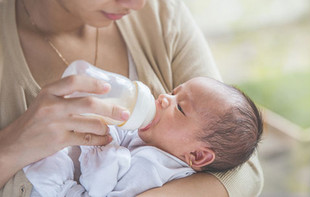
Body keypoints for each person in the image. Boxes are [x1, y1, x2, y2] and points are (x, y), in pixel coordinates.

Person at [0, 0, 264, 196]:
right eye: (173, 93)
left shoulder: (161, 13)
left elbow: (244, 171)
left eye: (180, 107)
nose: (137, 4)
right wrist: (10, 149)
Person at [24, 76, 263, 197]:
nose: (163, 98)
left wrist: (105, 150)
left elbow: (100, 187)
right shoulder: (155, 138)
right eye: (172, 92)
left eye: (179, 108)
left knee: (48, 166)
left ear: (197, 155)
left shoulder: (156, 169)